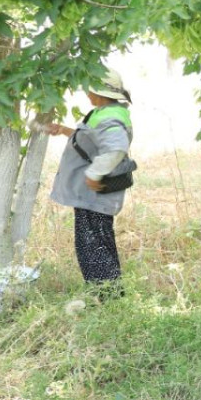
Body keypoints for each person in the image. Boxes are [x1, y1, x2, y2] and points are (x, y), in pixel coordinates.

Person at [47, 69, 136, 297]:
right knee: (97, 241)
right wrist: (65, 131)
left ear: (102, 93)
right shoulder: (104, 112)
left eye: (91, 90)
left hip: (95, 195)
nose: (87, 94)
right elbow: (93, 140)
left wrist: (94, 174)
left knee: (92, 244)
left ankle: (106, 298)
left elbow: (115, 147)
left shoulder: (110, 117)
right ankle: (110, 294)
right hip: (90, 197)